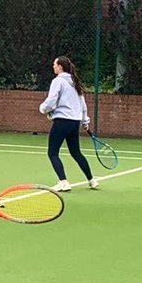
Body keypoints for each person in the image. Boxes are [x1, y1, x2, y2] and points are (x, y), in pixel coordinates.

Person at [39, 55, 98, 191]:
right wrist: (85, 121)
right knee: (76, 152)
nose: (53, 66)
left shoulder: (58, 81)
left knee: (52, 152)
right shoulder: (74, 82)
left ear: (60, 66)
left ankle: (63, 182)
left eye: (54, 64)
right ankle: (92, 180)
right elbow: (82, 105)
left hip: (61, 122)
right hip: (74, 123)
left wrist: (43, 109)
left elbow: (51, 100)